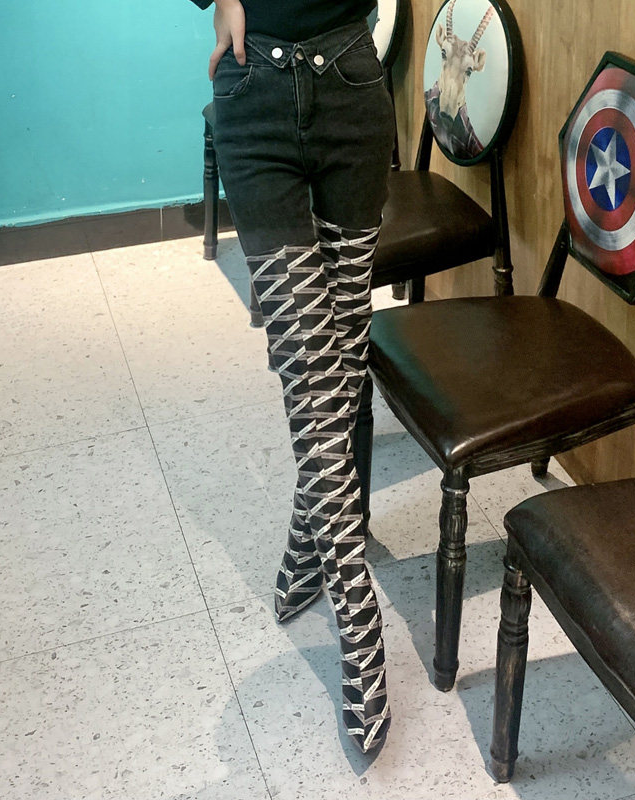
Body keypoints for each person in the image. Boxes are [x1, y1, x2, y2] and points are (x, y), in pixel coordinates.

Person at [188, 0, 396, 752]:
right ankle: (358, 614)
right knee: (308, 370)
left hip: (353, 81)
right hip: (255, 93)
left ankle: (309, 540)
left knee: (343, 359)